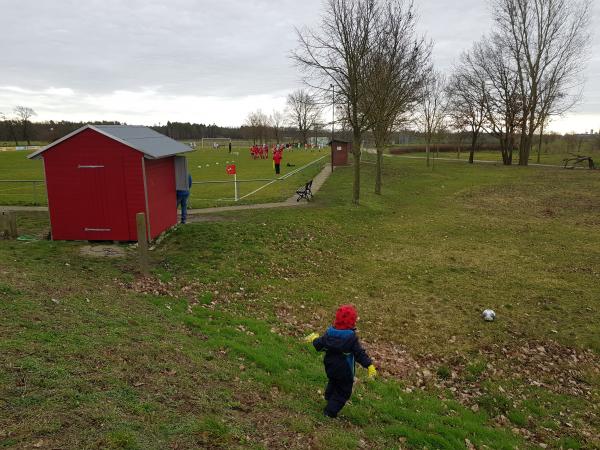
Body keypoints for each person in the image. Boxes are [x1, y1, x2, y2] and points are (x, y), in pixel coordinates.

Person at [304, 305, 377, 418]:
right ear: (352, 323)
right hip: (345, 370)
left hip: (330, 367)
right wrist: (369, 365)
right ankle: (330, 412)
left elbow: (319, 344)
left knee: (333, 381)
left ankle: (329, 397)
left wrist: (314, 338)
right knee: (343, 391)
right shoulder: (351, 338)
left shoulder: (329, 333)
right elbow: (359, 353)